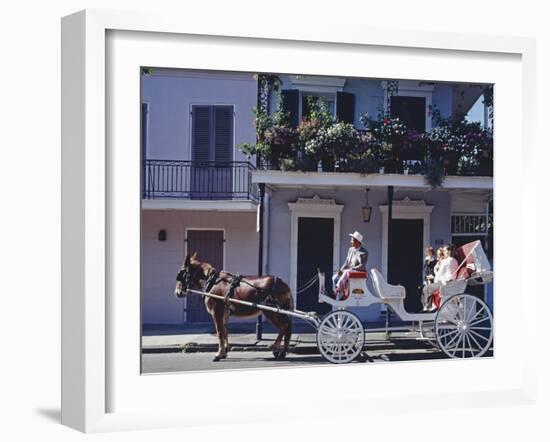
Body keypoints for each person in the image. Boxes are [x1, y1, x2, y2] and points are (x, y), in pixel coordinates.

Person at [332, 231, 368, 300]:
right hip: (349, 270)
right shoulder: (350, 249)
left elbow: (362, 266)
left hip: (358, 271)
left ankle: (337, 290)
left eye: (352, 240)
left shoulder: (364, 252)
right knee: (334, 277)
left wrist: (351, 268)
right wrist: (340, 270)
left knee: (346, 272)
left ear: (357, 242)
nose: (351, 241)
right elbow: (346, 263)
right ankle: (341, 293)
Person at [422, 244, 458, 311]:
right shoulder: (454, 260)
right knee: (428, 288)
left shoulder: (447, 261)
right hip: (449, 281)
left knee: (426, 288)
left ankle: (427, 307)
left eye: (444, 250)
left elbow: (439, 274)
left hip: (445, 282)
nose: (443, 252)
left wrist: (435, 275)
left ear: (449, 251)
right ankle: (430, 306)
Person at [420, 246, 437, 311]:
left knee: (430, 290)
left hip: (431, 276)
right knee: (424, 290)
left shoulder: (434, 259)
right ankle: (425, 304)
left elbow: (433, 268)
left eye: (430, 252)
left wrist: (432, 275)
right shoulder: (426, 259)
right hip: (427, 276)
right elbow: (425, 268)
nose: (429, 253)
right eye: (428, 252)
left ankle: (429, 305)